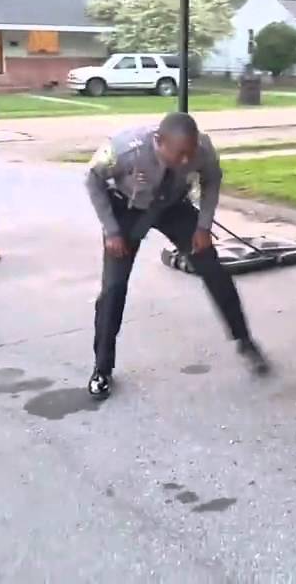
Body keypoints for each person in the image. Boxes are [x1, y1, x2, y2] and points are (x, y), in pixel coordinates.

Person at [84, 111, 271, 400]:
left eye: (190, 153)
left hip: (172, 206)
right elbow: (93, 179)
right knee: (113, 288)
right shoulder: (124, 149)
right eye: (179, 154)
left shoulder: (202, 148)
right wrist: (111, 231)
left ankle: (245, 342)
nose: (186, 161)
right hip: (127, 210)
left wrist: (203, 226)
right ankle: (102, 369)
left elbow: (212, 180)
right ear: (159, 141)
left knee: (213, 269)